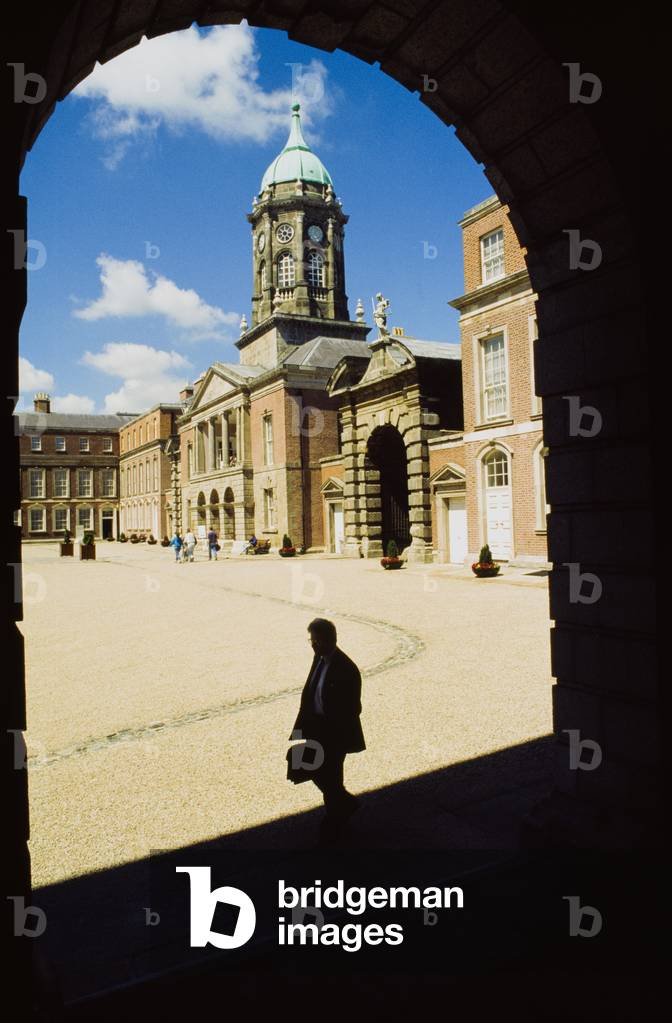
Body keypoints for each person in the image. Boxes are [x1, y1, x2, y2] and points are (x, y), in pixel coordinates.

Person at [289, 618, 365, 845]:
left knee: (329, 774)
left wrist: (335, 730)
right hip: (316, 728)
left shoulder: (346, 668)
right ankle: (343, 806)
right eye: (311, 641)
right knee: (309, 768)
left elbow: (354, 707)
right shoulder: (319, 658)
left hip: (333, 733)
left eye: (316, 641)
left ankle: (335, 820)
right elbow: (310, 693)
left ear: (330, 640)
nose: (313, 645)